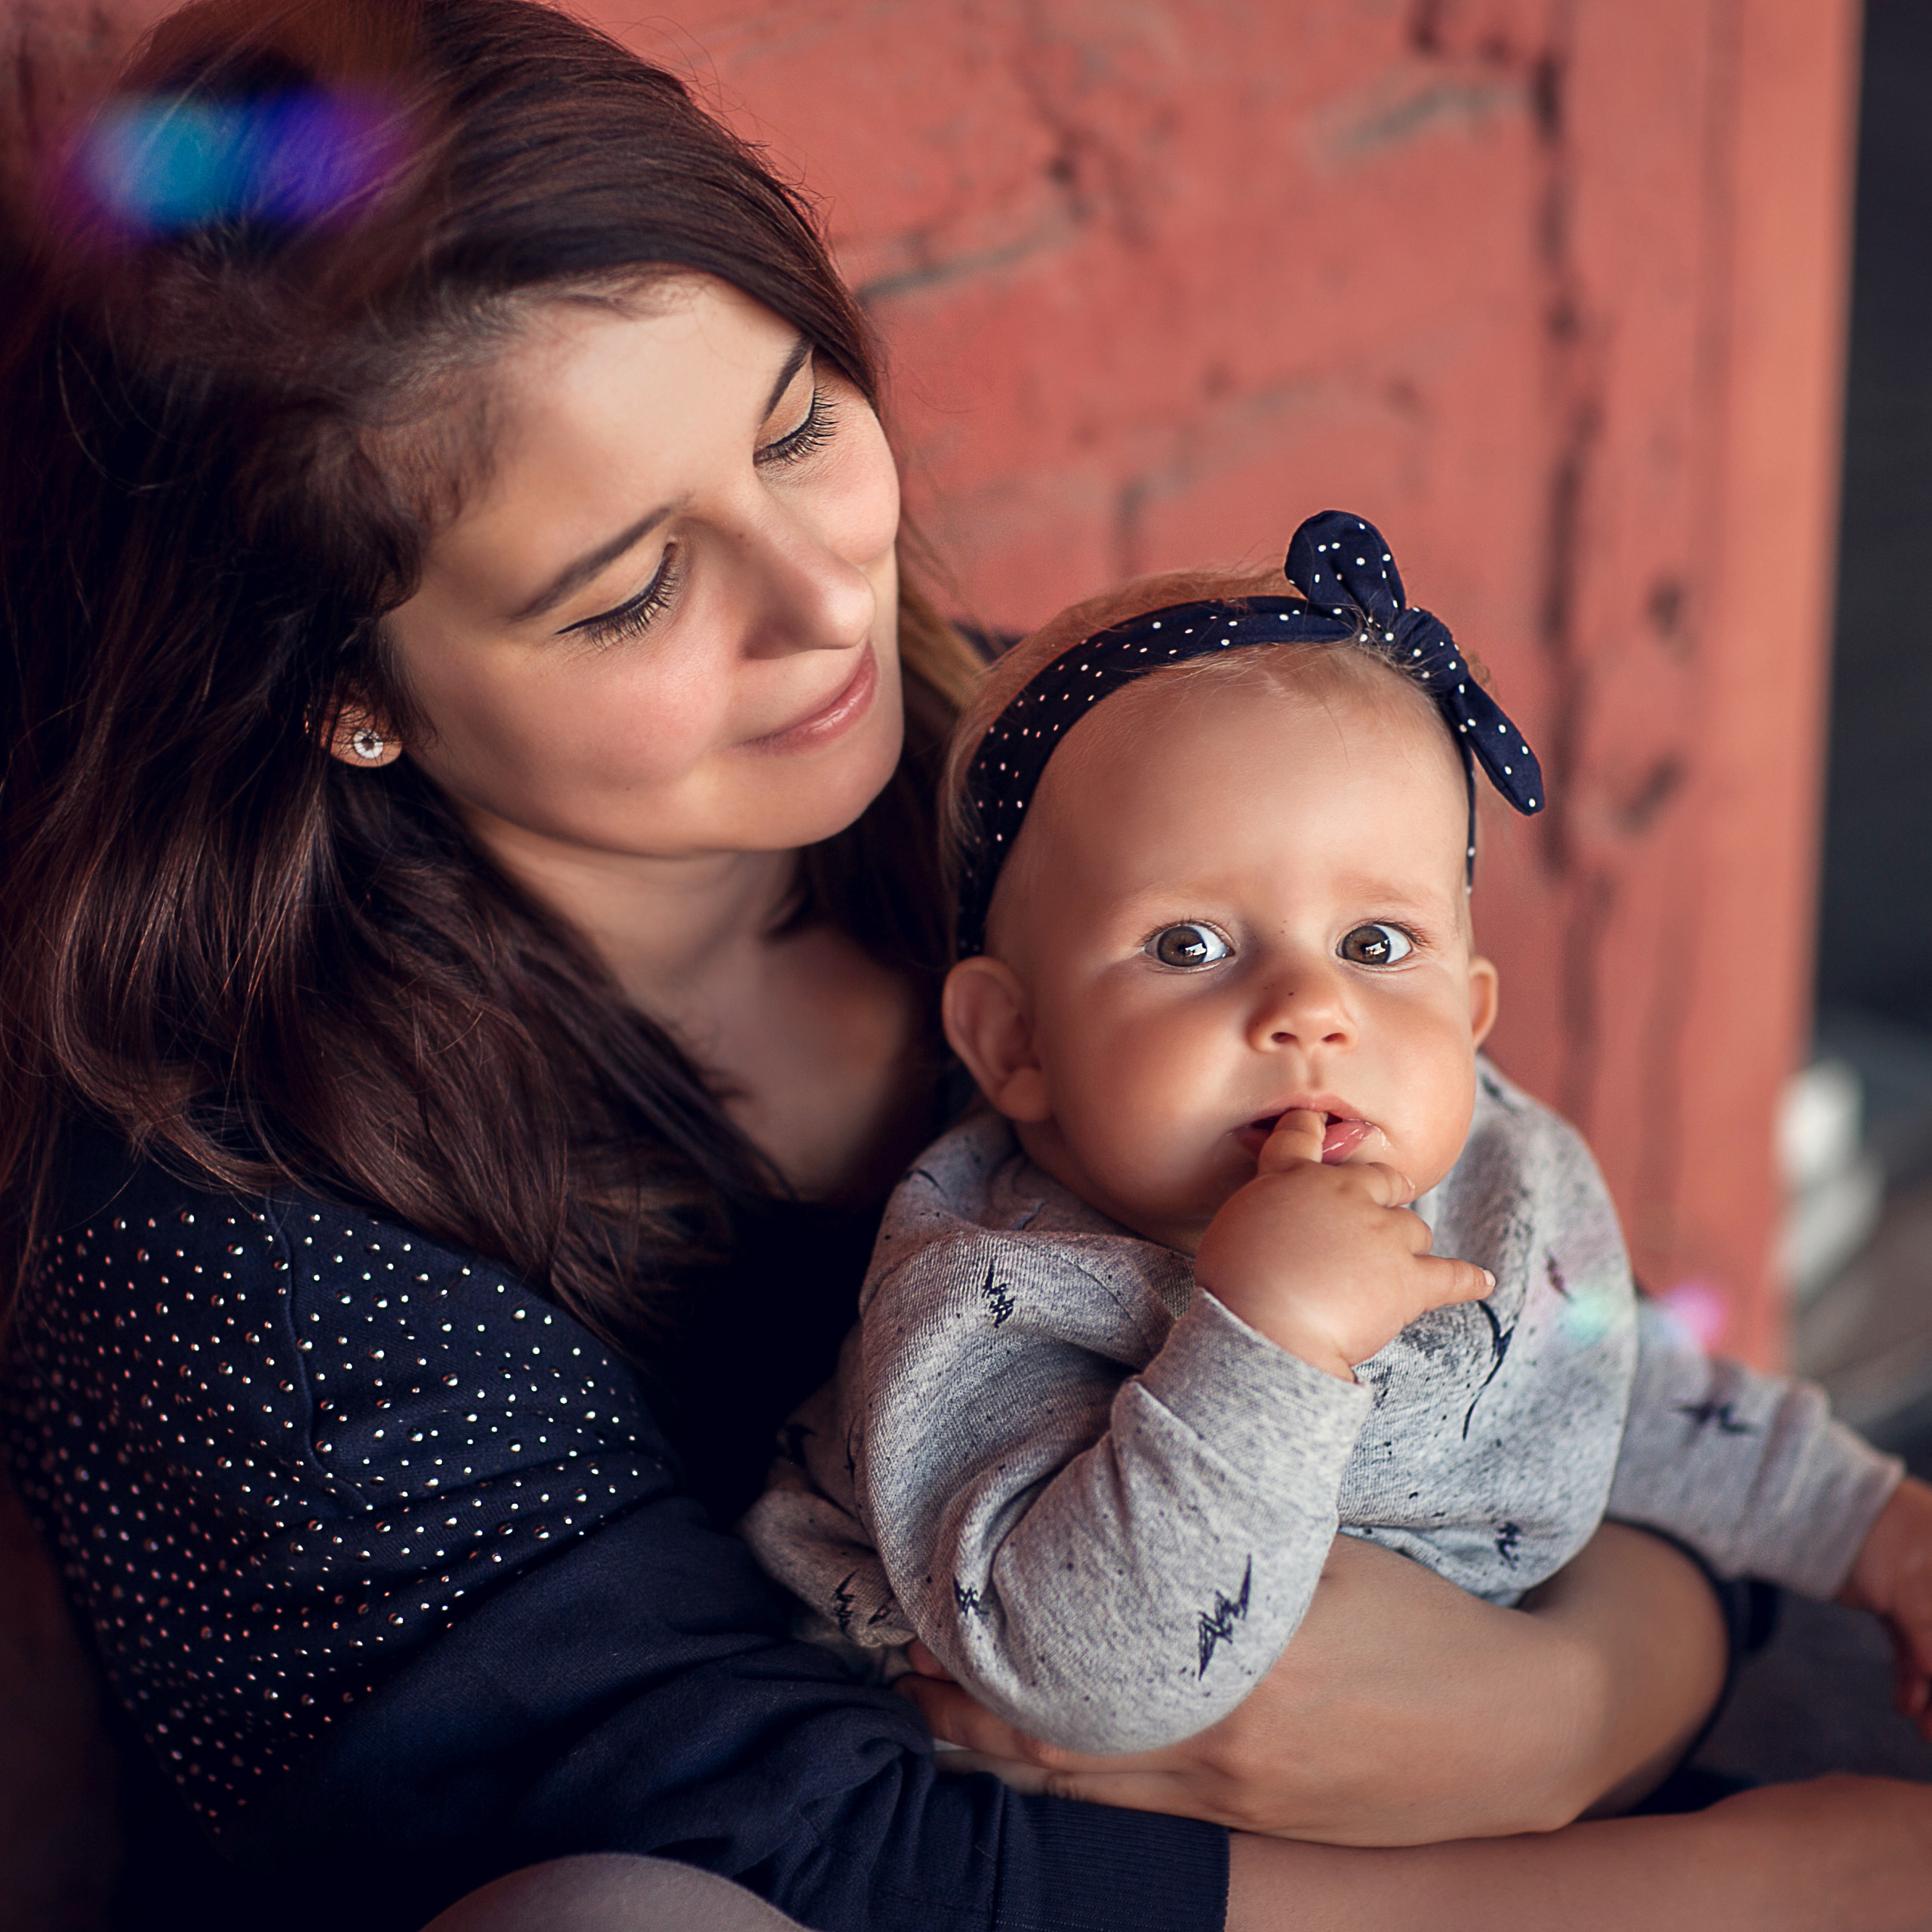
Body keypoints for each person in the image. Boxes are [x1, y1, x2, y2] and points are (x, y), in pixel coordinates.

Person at [0, 2, 1928, 1928]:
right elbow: (790, 1844)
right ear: (348, 689)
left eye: (796, 425)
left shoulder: (1086, 808)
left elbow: (1549, 1329)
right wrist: (1708, 1886)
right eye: (635, 587)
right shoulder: (215, 1219)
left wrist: (1586, 1693)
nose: (823, 591)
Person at [743, 518, 1932, 1759]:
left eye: (1375, 946)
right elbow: (1090, 1677)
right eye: (1190, 945)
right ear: (1015, 1044)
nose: (1312, 1009)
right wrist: (1275, 1339)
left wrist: (1874, 1528)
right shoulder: (997, 1299)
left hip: (1477, 1756)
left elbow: (1627, 1395)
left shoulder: (1497, 1183)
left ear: (1470, 1020)